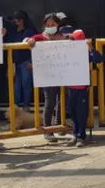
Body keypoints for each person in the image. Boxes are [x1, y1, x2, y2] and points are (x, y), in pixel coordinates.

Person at [24, 13, 67, 143]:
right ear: (44, 25)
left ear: (58, 25)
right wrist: (28, 40)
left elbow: (74, 40)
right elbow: (26, 40)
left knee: (62, 101)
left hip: (62, 73)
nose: (50, 27)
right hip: (47, 75)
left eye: (53, 24)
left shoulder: (62, 37)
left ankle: (60, 125)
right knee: (50, 102)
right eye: (48, 25)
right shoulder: (40, 37)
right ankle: (48, 130)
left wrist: (71, 39)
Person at [7, 11, 37, 111]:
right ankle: (15, 107)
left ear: (22, 20)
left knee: (26, 84)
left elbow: (33, 48)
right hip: (16, 62)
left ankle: (25, 106)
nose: (15, 21)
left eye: (17, 19)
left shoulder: (29, 31)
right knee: (16, 86)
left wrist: (32, 62)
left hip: (26, 61)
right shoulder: (13, 31)